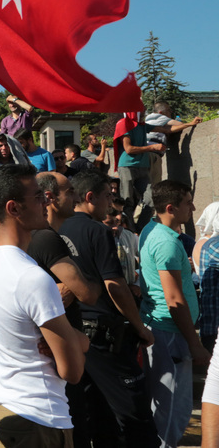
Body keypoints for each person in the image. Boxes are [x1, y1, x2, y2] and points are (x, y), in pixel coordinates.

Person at [0, 164, 89, 447]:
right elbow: (72, 370)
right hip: (38, 419)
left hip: (1, 410)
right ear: (14, 208)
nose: (47, 201)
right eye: (38, 196)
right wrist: (79, 341)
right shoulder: (33, 278)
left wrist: (71, 340)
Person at [59, 169, 158, 447]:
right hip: (103, 337)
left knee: (94, 414)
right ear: (90, 198)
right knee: (135, 414)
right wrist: (139, 327)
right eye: (107, 196)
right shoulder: (97, 231)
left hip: (76, 335)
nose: (110, 203)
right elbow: (115, 286)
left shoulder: (58, 229)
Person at [28, 171, 102, 446]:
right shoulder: (46, 239)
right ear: (50, 198)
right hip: (58, 366)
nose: (76, 197)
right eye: (69, 191)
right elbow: (88, 293)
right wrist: (92, 275)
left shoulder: (44, 236)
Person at [138, 179, 209, 447]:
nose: (192, 207)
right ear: (170, 207)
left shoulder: (150, 229)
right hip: (172, 334)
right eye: (188, 203)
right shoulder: (166, 242)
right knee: (172, 409)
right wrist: (194, 342)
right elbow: (173, 298)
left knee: (166, 404)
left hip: (163, 330)